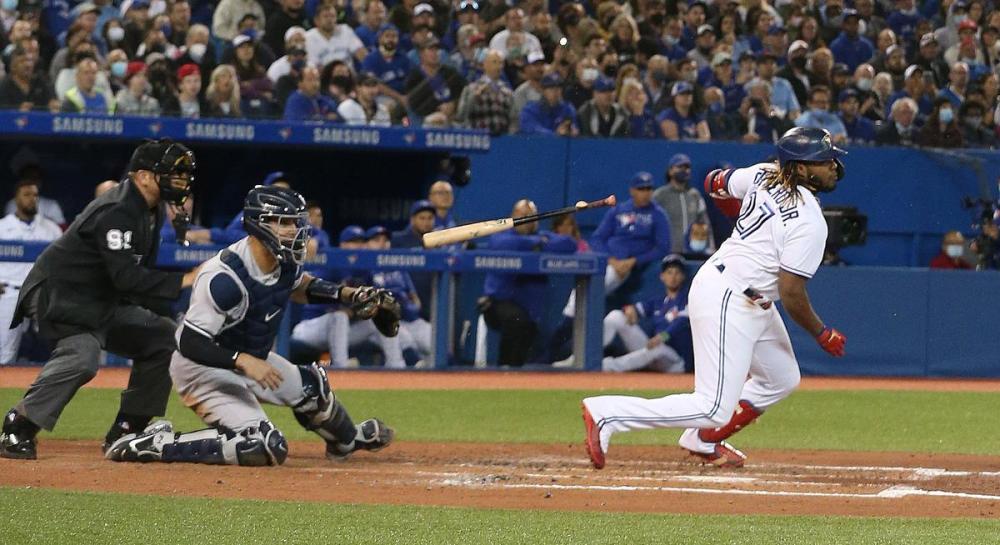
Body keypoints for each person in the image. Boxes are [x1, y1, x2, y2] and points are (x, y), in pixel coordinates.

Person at [582, 127, 847, 470]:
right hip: (729, 295)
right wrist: (821, 333)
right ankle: (607, 414)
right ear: (799, 168)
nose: (832, 167)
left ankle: (701, 438)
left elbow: (714, 182)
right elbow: (791, 291)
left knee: (781, 377)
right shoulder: (811, 222)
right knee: (712, 406)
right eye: (823, 161)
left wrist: (731, 206)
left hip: (747, 294)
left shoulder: (763, 174)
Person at [106, 186, 396, 466]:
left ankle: (347, 440)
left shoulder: (284, 259)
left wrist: (348, 295)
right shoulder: (225, 277)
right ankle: (155, 444)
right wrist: (242, 361)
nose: (294, 231)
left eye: (295, 223)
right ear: (259, 225)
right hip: (202, 368)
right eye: (284, 223)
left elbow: (299, 286)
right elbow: (189, 343)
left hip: (246, 357)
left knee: (312, 386)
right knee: (261, 445)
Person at [0, 140, 201, 460]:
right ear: (144, 176)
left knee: (163, 335)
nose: (181, 181)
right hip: (60, 293)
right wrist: (185, 280)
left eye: (183, 174)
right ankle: (19, 424)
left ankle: (127, 430)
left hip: (100, 298)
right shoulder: (117, 208)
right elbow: (126, 278)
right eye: (173, 173)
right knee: (84, 355)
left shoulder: (153, 210)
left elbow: (134, 281)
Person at [291, 226, 406, 369]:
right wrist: (344, 309)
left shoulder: (366, 270)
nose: (358, 246)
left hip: (343, 331)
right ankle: (342, 368)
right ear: (343, 245)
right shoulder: (331, 266)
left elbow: (368, 303)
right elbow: (312, 298)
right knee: (339, 317)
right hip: (312, 328)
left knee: (381, 314)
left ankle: (397, 366)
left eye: (361, 242)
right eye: (353, 242)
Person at [479, 199, 576, 366]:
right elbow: (503, 244)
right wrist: (535, 244)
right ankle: (503, 370)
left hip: (529, 310)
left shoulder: (541, 236)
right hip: (497, 304)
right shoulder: (503, 236)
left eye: (531, 216)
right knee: (517, 321)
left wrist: (537, 242)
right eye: (522, 216)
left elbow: (569, 244)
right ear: (512, 217)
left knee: (527, 331)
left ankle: (513, 375)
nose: (527, 220)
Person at [0, 180, 62, 364]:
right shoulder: (2, 227)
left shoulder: (51, 229)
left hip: (40, 293)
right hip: (9, 292)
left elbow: (63, 261)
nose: (32, 199)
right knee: (5, 351)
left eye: (35, 195)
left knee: (54, 346)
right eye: (26, 195)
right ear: (16, 198)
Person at [597, 255, 691, 373]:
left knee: (657, 348)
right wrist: (628, 310)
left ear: (683, 276)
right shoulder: (659, 301)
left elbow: (680, 323)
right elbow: (636, 309)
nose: (673, 277)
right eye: (669, 272)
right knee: (616, 316)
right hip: (652, 351)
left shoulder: (688, 300)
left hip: (675, 361)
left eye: (677, 273)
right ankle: (593, 356)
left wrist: (663, 337)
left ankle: (608, 366)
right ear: (662, 276)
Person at [366, 226, 431, 361]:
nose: (383, 243)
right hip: (383, 322)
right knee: (408, 349)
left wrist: (410, 307)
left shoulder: (398, 266)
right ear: (367, 244)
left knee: (436, 344)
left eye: (386, 240)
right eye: (377, 240)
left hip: (410, 319)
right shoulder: (364, 268)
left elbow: (415, 298)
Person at [653, 153, 712, 254]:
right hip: (667, 252)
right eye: (680, 167)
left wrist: (710, 247)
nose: (684, 170)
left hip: (692, 252)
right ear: (670, 171)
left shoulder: (695, 195)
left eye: (687, 167)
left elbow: (705, 223)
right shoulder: (660, 195)